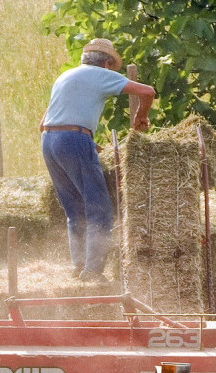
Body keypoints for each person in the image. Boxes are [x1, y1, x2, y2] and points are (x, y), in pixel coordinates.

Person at [40, 38, 155, 283]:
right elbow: (148, 92)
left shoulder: (65, 76)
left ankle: (78, 265)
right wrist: (140, 117)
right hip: (73, 139)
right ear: (106, 64)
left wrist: (86, 142)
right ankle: (93, 272)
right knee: (99, 209)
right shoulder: (100, 74)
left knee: (74, 208)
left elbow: (44, 123)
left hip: (49, 141)